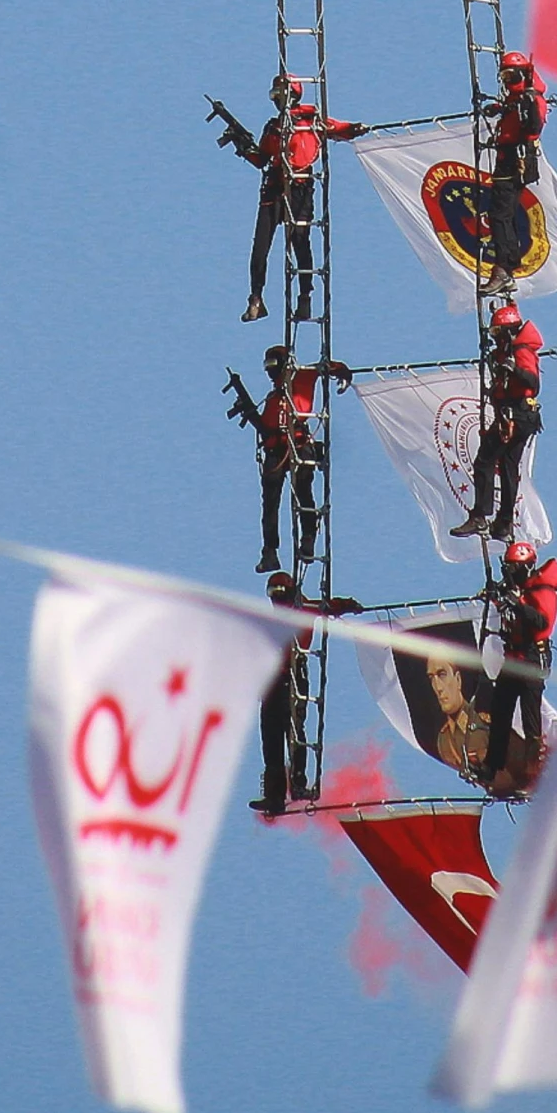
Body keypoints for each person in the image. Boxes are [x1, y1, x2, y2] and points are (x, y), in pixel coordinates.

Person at [235, 74, 366, 323]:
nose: (277, 100)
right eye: (275, 96)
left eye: (281, 95)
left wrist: (355, 128)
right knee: (260, 247)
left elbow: (339, 128)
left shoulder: (310, 121)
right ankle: (256, 298)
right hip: (274, 188)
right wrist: (241, 146)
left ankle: (304, 297)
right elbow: (262, 159)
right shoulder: (273, 127)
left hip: (300, 187)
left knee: (300, 241)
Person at [258, 570, 362, 816]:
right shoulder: (272, 619)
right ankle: (274, 795)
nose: (277, 599)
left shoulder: (303, 609)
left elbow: (329, 605)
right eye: (273, 594)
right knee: (271, 739)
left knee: (294, 731)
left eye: (279, 593)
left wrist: (348, 605)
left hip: (293, 676)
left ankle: (298, 783)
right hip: (271, 683)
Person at [450, 299, 544, 542]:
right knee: (508, 468)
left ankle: (480, 515)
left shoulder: (520, 351)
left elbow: (533, 384)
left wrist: (513, 369)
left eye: (498, 332)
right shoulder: (509, 350)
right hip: (522, 416)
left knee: (484, 461)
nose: (495, 338)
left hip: (517, 414)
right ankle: (504, 524)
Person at [253, 345, 352, 574]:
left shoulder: (302, 375)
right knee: (270, 504)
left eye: (273, 366)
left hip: (298, 444)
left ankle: (308, 538)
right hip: (276, 450)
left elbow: (329, 368)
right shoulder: (273, 395)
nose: (270, 372)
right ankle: (270, 552)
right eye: (267, 367)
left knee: (303, 493)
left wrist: (343, 374)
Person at [483, 540, 557, 798]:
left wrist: (516, 603)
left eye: (515, 570)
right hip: (514, 657)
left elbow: (542, 623)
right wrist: (497, 597)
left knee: (530, 718)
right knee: (501, 712)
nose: (510, 575)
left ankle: (534, 771)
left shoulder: (543, 591)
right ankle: (492, 766)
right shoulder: (520, 591)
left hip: (531, 658)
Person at [483, 52, 547, 284]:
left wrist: (524, 105)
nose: (508, 81)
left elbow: (533, 126)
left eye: (511, 75)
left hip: (516, 160)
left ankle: (504, 267)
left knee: (500, 215)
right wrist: (500, 108)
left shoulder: (531, 99)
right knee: (502, 214)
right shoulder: (517, 99)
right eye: (504, 76)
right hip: (508, 158)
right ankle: (507, 264)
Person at [427, 651, 493, 784]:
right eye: (431, 678)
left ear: (458, 679)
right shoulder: (442, 740)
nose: (438, 687)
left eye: (442, 675)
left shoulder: (484, 724)